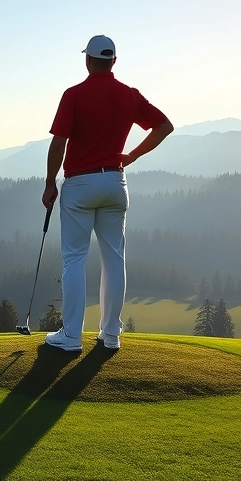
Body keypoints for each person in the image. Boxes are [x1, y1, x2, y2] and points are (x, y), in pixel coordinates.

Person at [42, 35, 174, 352]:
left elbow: (59, 142)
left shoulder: (74, 95)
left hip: (80, 185)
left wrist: (49, 183)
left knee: (74, 259)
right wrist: (132, 156)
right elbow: (164, 126)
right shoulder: (128, 96)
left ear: (87, 59)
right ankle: (110, 335)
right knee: (114, 259)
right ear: (113, 61)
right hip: (116, 182)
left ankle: (72, 337)